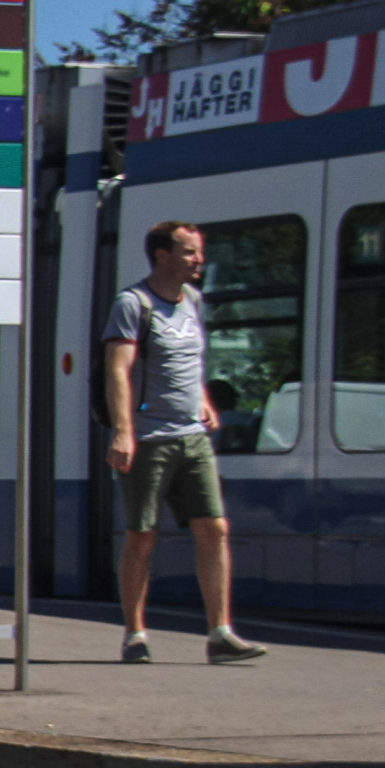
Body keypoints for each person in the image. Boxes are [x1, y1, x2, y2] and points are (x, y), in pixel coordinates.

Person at [102, 220, 266, 664]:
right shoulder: (133, 304)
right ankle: (135, 634)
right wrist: (123, 431)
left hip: (192, 436)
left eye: (198, 252)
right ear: (162, 255)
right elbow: (117, 369)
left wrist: (205, 399)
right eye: (190, 252)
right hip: (149, 438)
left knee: (214, 528)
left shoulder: (192, 300)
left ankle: (220, 633)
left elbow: (191, 361)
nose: (199, 259)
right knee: (142, 536)